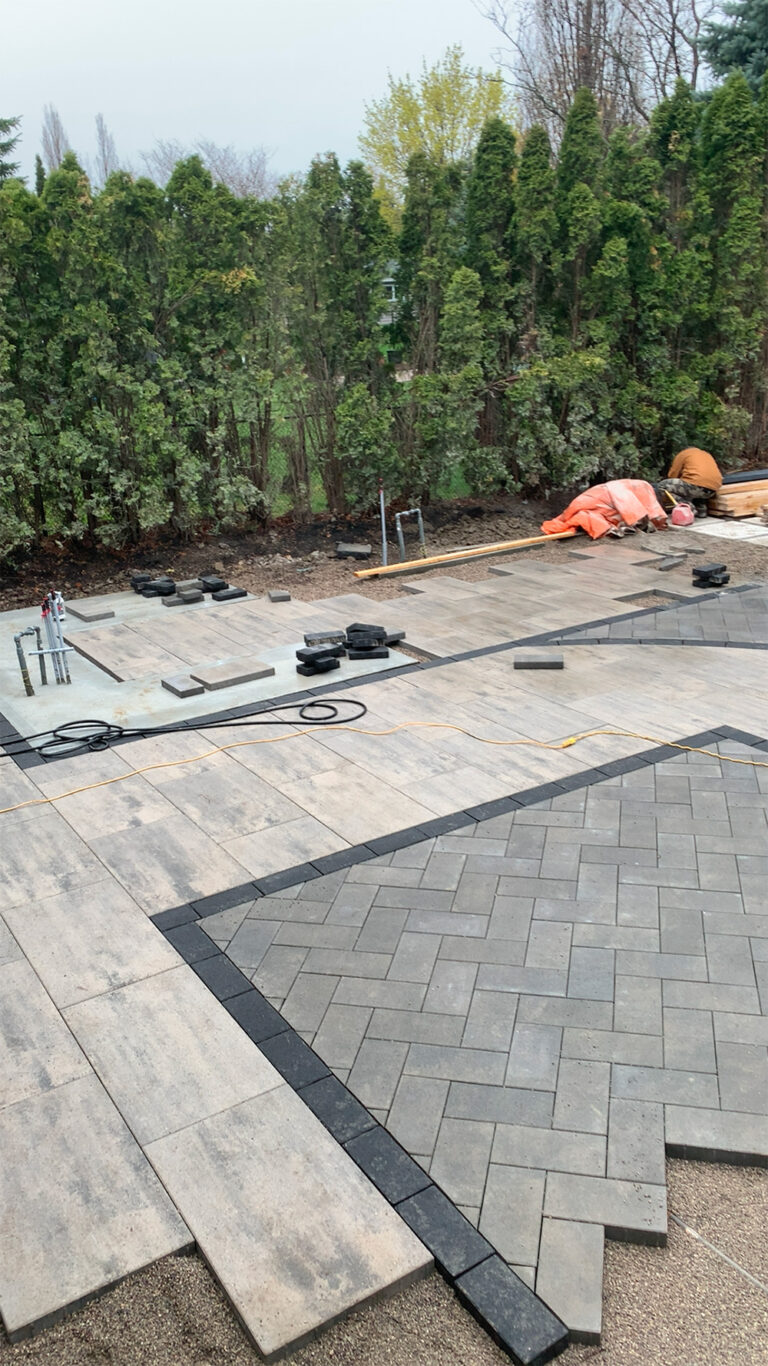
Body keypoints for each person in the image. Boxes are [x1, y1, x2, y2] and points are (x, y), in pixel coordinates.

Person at [655, 447, 723, 517]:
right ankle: (701, 510)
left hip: (695, 485)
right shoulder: (706, 454)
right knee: (698, 487)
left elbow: (673, 474)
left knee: (662, 485)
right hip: (713, 490)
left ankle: (689, 507)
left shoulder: (683, 454)